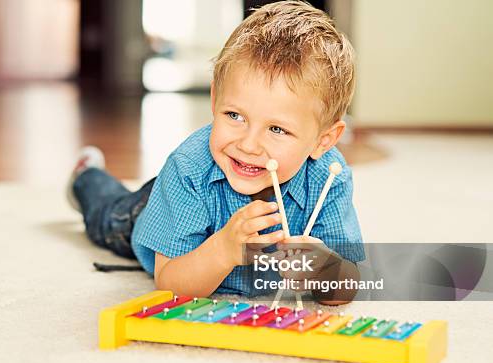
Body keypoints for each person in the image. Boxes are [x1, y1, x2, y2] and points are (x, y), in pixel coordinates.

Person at [68, 1, 364, 304]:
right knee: (108, 217)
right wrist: (222, 251)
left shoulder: (329, 178)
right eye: (235, 115)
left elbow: (346, 287)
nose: (248, 145)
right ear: (215, 101)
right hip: (153, 209)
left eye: (277, 130)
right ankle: (87, 175)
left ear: (324, 141)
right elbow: (170, 283)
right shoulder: (188, 169)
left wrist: (322, 269)